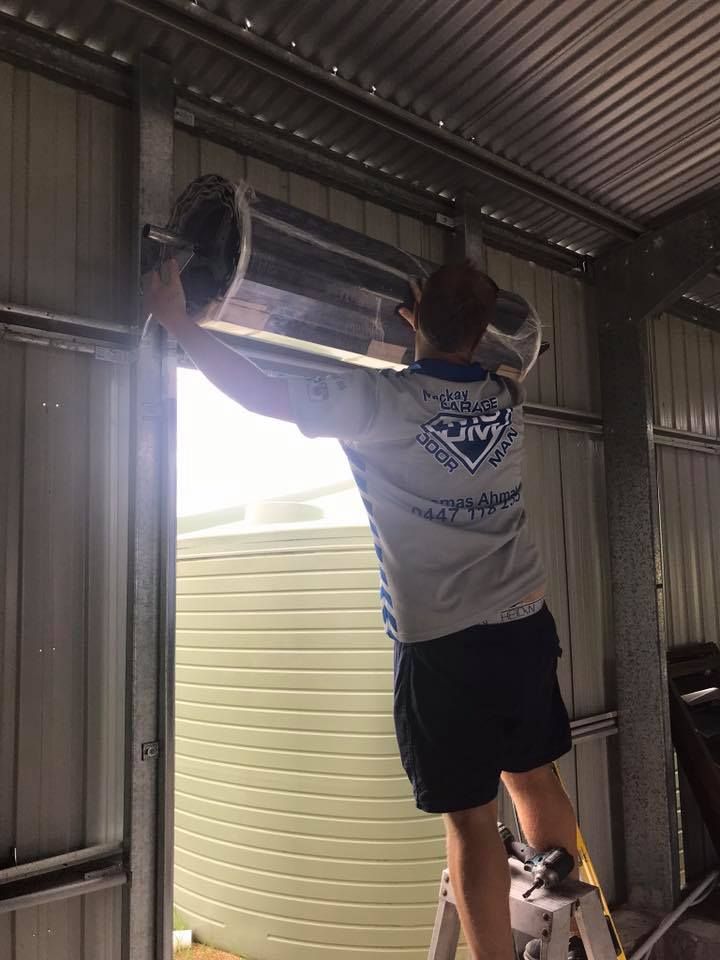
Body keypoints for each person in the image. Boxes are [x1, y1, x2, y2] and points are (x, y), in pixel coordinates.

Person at [145, 258, 582, 960]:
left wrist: (176, 320)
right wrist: (438, 332)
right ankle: (575, 909)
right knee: (533, 773)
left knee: (471, 819)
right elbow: (460, 366)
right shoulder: (505, 398)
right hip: (525, 626)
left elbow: (262, 393)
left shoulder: (379, 402)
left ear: (417, 318)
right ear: (480, 336)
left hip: (446, 647)